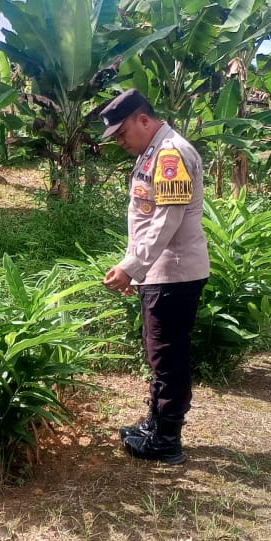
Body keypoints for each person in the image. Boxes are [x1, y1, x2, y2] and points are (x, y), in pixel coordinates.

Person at [99, 89, 210, 464]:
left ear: (143, 120)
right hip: (161, 272)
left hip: (174, 273)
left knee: (167, 356)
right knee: (158, 351)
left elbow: (167, 219)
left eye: (121, 133)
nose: (120, 141)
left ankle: (166, 439)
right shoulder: (155, 150)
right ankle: (155, 424)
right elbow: (149, 219)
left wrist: (132, 266)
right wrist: (137, 267)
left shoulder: (170, 154)